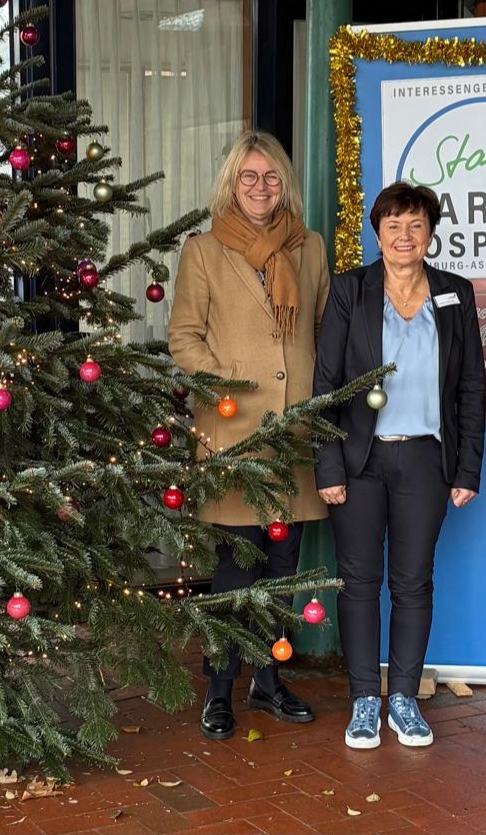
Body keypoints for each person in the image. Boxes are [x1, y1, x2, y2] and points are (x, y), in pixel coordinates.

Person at [168, 129, 331, 741]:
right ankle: (218, 689)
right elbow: (184, 337)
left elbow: (322, 327)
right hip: (234, 432)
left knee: (283, 565)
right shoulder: (204, 250)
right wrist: (226, 386)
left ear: (283, 183)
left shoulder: (309, 247)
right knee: (237, 568)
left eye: (270, 178)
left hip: (295, 433)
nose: (260, 188)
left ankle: (268, 682)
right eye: (248, 177)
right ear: (231, 184)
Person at [312, 182, 483, 750]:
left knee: (413, 582)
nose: (404, 236)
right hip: (360, 460)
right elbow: (326, 386)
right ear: (377, 231)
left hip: (426, 459)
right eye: (393, 225)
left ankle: (404, 698)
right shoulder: (349, 291)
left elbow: (469, 390)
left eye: (415, 225)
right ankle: (365, 699)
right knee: (360, 582)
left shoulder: (455, 294)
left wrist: (467, 471)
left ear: (430, 232)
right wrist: (328, 465)